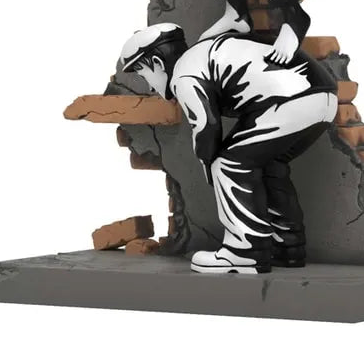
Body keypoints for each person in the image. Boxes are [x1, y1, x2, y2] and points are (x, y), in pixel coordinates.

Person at [120, 23, 338, 274]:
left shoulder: (183, 74)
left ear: (158, 63)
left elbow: (205, 125)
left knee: (229, 164)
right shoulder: (202, 53)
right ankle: (288, 248)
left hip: (291, 99)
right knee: (268, 165)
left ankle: (245, 251)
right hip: (323, 98)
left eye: (143, 75)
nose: (149, 87)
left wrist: (208, 162)